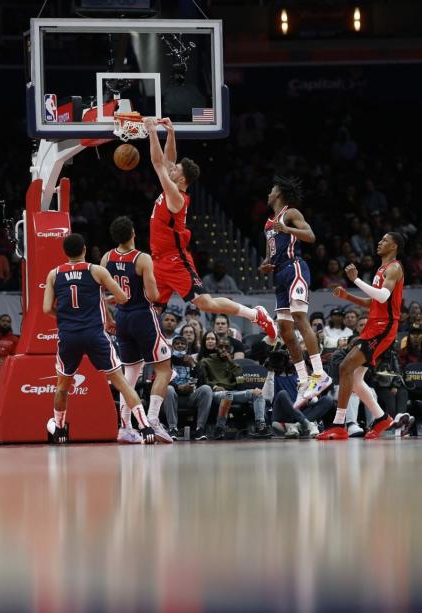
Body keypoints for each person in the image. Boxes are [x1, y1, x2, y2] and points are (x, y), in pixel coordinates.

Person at [142, 117, 277, 342]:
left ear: (181, 178)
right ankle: (152, 357)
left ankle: (256, 314)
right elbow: (168, 160)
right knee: (152, 310)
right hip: (158, 260)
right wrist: (171, 133)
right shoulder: (173, 185)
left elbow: (158, 164)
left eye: (174, 170)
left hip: (175, 261)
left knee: (206, 303)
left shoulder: (176, 196)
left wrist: (151, 131)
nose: (171, 168)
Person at [42, 233, 154, 444]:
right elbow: (122, 297)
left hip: (69, 335)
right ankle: (146, 427)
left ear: (65, 252)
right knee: (121, 382)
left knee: (62, 387)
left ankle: (59, 431)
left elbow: (47, 308)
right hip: (94, 334)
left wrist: (66, 316)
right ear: (84, 249)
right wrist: (104, 299)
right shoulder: (96, 270)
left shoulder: (54, 274)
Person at [319, 232, 405, 441]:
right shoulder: (381, 269)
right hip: (374, 325)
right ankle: (382, 418)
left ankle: (340, 424)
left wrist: (355, 279)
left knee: (345, 367)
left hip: (383, 327)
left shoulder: (394, 267)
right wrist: (347, 296)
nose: (379, 241)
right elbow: (373, 302)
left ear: (394, 246)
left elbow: (383, 296)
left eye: (384, 240)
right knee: (355, 378)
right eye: (380, 238)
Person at [258, 176, 332, 408]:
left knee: (300, 318)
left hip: (295, 268)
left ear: (279, 194)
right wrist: (264, 266)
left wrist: (287, 228)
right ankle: (303, 381)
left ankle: (319, 374)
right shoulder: (268, 225)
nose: (268, 194)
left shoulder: (290, 213)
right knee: (286, 332)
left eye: (271, 190)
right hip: (279, 274)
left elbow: (310, 236)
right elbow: (268, 257)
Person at [102, 216, 175, 443]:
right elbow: (153, 295)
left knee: (129, 375)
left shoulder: (107, 257)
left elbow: (101, 293)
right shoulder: (142, 258)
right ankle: (153, 419)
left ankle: (125, 426)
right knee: (165, 369)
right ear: (133, 232)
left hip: (122, 318)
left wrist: (107, 317)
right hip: (143, 315)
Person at [197, 339, 267, 439]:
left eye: (226, 347)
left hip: (233, 392)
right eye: (221, 347)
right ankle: (219, 428)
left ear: (231, 349)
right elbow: (203, 381)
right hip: (215, 392)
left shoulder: (233, 364)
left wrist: (230, 362)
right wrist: (214, 387)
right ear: (216, 348)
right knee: (227, 395)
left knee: (257, 393)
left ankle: (261, 426)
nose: (223, 350)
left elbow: (240, 382)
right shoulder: (206, 362)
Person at [162, 335, 213, 441]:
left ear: (187, 347)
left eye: (183, 344)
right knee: (168, 389)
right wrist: (177, 387)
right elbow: (161, 380)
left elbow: (202, 382)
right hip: (172, 397)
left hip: (190, 397)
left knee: (206, 389)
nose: (180, 345)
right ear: (172, 346)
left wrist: (193, 365)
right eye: (177, 343)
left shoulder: (192, 361)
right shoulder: (166, 361)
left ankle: (200, 429)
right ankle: (173, 429)